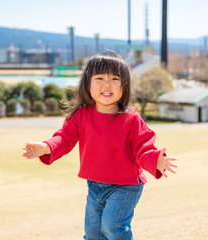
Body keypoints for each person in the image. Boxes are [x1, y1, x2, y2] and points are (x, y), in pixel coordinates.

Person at [22, 50, 177, 240]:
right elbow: (64, 138)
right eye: (99, 78)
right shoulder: (81, 115)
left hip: (126, 186)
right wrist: (46, 147)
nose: (107, 84)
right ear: (87, 83)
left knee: (113, 227)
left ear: (124, 85)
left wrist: (155, 160)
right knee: (94, 233)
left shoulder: (130, 118)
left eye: (114, 78)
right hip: (95, 184)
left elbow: (143, 146)